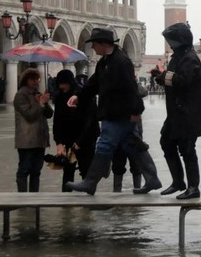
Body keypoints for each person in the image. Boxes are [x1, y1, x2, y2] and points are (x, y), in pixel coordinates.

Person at [65, 28, 162, 195]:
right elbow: (93, 83)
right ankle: (152, 179)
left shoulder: (121, 62)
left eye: (94, 43)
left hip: (118, 114)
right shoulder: (105, 62)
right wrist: (78, 96)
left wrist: (136, 111)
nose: (93, 47)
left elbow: (131, 88)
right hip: (115, 113)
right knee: (133, 144)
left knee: (104, 144)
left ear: (103, 44)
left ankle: (90, 182)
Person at [152, 22, 201, 200]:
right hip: (177, 113)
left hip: (189, 113)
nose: (170, 44)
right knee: (166, 142)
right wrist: (160, 76)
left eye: (172, 40)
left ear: (180, 41)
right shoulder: (178, 57)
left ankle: (193, 187)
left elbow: (183, 81)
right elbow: (172, 79)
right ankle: (178, 181)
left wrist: (163, 76)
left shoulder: (190, 58)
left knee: (187, 148)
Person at [51, 69, 99, 192]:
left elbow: (90, 120)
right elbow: (57, 121)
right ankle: (66, 203)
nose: (62, 87)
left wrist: (79, 142)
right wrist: (59, 142)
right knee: (68, 170)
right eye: (59, 84)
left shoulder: (84, 96)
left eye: (64, 83)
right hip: (68, 139)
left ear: (70, 82)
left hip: (86, 139)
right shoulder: (60, 97)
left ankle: (89, 202)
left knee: (86, 169)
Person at [13, 68, 54, 192]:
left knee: (36, 170)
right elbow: (29, 115)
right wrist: (40, 104)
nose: (36, 82)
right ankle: (22, 197)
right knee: (24, 169)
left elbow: (49, 114)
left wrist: (46, 103)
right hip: (27, 139)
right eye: (33, 79)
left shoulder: (38, 94)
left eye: (37, 79)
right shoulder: (21, 95)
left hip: (40, 138)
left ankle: (34, 196)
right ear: (26, 80)